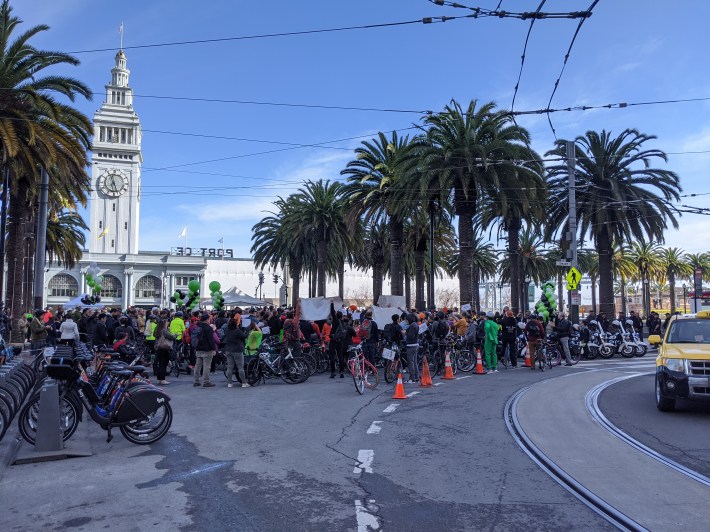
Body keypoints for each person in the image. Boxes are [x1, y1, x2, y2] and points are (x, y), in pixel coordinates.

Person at [193, 313, 217, 387]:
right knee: (207, 366)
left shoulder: (197, 327)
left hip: (198, 348)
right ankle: (206, 381)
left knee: (198, 365)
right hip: (207, 349)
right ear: (207, 320)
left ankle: (196, 380)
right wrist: (213, 349)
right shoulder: (208, 328)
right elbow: (211, 340)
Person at [224, 319, 249, 388]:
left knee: (230, 367)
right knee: (240, 367)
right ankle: (244, 383)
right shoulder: (237, 331)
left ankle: (229, 383)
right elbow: (244, 336)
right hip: (237, 350)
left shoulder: (227, 330)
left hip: (228, 350)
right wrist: (248, 330)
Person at [153, 318, 175, 385]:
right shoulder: (164, 331)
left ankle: (160, 379)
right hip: (164, 348)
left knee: (160, 364)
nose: (168, 323)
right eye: (167, 322)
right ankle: (162, 379)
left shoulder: (157, 330)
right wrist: (176, 335)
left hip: (158, 348)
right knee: (164, 364)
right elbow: (172, 336)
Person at [404, 313, 420, 383]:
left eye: (406, 320)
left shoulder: (412, 326)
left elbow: (411, 336)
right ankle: (416, 377)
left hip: (411, 345)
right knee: (415, 362)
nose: (406, 321)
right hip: (415, 344)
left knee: (411, 362)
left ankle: (412, 378)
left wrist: (405, 333)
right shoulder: (416, 325)